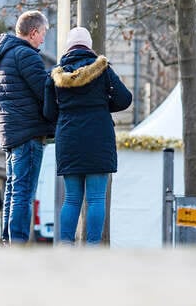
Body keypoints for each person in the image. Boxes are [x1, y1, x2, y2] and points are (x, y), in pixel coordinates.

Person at [43, 27, 132, 245]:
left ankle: (65, 245)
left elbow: (48, 112)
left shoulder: (56, 75)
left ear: (68, 46)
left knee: (72, 199)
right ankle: (92, 248)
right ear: (89, 46)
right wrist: (102, 106)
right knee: (96, 198)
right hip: (98, 138)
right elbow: (124, 99)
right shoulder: (102, 70)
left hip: (69, 138)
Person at [0, 10, 55, 244]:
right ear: (34, 32)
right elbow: (44, 91)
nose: (43, 39)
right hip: (29, 132)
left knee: (13, 189)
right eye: (43, 33)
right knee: (24, 191)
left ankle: (8, 240)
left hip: (10, 132)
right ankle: (18, 243)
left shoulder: (2, 55)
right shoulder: (26, 55)